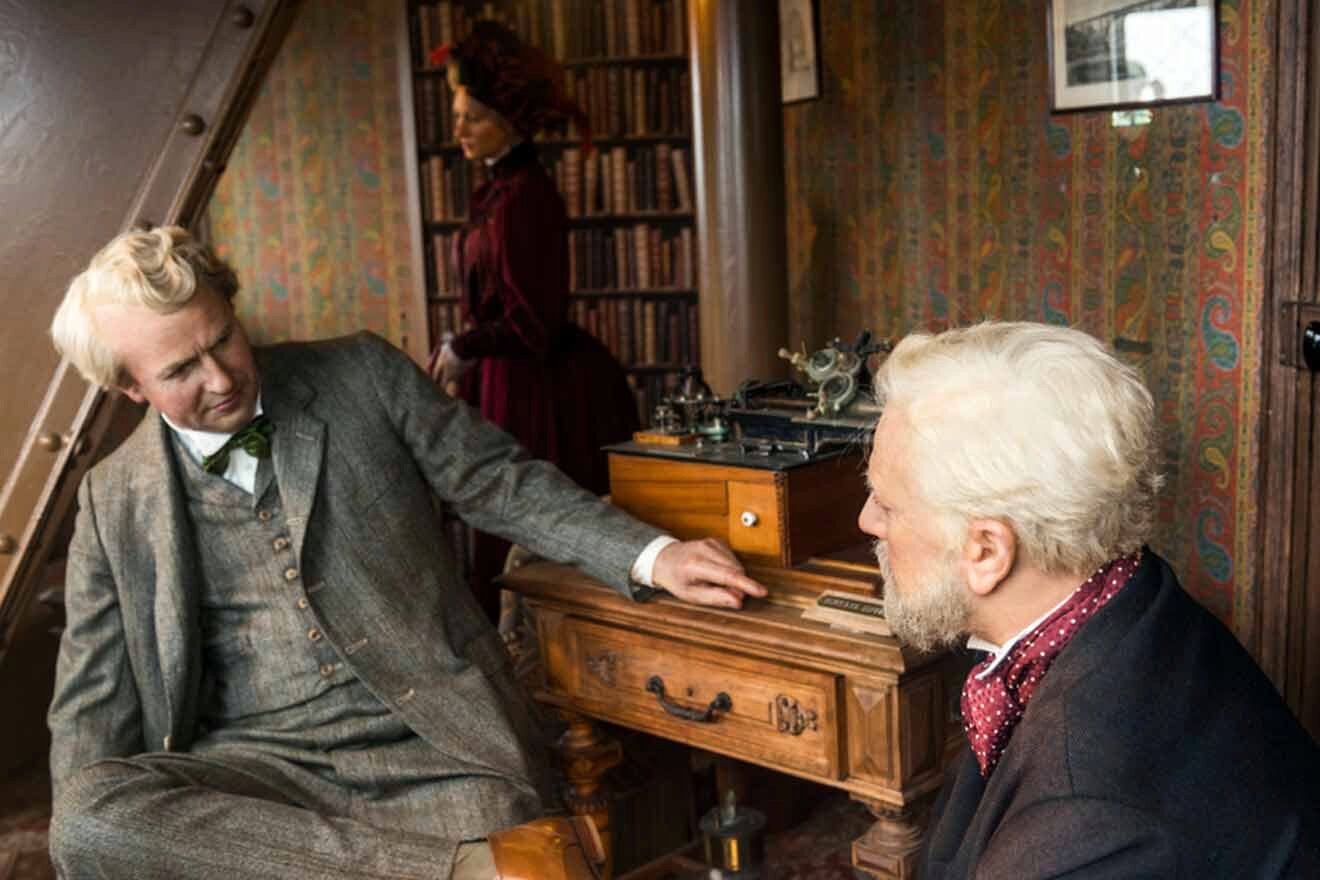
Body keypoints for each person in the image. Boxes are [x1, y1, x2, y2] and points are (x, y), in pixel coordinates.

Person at [45, 225, 765, 880]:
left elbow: (495, 482)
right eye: (181, 371)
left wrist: (650, 553)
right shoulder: (112, 500)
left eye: (223, 339)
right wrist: (94, 838)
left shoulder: (361, 373)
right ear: (128, 386)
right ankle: (458, 874)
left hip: (438, 749)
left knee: (493, 828)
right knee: (85, 819)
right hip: (261, 775)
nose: (223, 377)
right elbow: (91, 705)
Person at [857, 321, 1320, 878]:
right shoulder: (1136, 592)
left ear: (985, 551)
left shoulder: (1088, 824)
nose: (867, 521)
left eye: (887, 504)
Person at [426, 22, 640, 623]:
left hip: (533, 387)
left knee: (524, 519)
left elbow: (535, 323)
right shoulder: (497, 187)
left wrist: (464, 343)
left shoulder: (524, 195)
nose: (458, 129)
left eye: (473, 116)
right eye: (457, 113)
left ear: (509, 120)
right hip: (501, 378)